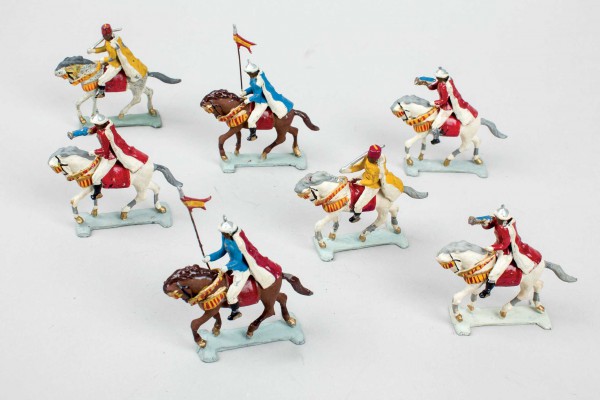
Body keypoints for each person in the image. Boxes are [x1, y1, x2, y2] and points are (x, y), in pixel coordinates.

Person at [202, 216, 281, 320]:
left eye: (224, 232)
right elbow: (222, 251)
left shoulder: (239, 243)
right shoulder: (225, 237)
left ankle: (235, 312)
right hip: (231, 266)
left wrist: (227, 266)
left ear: (230, 233)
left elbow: (238, 260)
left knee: (231, 295)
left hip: (241, 269)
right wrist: (210, 257)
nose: (222, 234)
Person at [68, 113, 148, 200]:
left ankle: (97, 193)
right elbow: (90, 131)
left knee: (95, 178)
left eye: (96, 124)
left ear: (100, 124)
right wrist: (75, 133)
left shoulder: (104, 133)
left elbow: (105, 151)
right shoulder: (106, 125)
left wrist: (93, 152)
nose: (95, 125)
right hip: (108, 152)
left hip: (110, 157)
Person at [470, 205, 542, 298]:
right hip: (497, 246)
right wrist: (484, 223)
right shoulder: (498, 221)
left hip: (505, 253)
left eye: (497, 218)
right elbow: (489, 226)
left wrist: (493, 248)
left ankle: (487, 291)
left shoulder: (506, 229)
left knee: (493, 274)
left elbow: (505, 244)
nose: (496, 219)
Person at [340, 145, 404, 223]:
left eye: (373, 159)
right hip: (364, 176)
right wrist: (348, 170)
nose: (370, 159)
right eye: (370, 157)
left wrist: (361, 182)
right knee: (350, 180)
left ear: (377, 158)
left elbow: (372, 181)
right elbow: (360, 166)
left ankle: (356, 216)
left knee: (358, 206)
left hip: (372, 186)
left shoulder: (378, 168)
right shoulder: (367, 157)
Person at [416, 67, 478, 144]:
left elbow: (444, 100)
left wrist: (434, 102)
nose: (436, 78)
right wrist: (426, 84)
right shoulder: (441, 82)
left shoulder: (444, 85)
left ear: (442, 77)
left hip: (446, 107)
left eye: (438, 77)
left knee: (435, 125)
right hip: (441, 104)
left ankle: (436, 138)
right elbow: (433, 87)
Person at [87, 23, 148, 98]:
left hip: (115, 65)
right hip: (110, 62)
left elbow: (112, 58)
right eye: (104, 35)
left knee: (101, 80)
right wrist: (93, 50)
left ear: (110, 34)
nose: (104, 37)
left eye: (106, 35)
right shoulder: (107, 41)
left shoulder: (114, 44)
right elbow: (104, 48)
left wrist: (104, 59)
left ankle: (101, 93)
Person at [240, 60, 293, 141]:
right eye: (248, 73)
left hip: (261, 102)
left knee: (251, 121)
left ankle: (253, 135)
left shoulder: (259, 81)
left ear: (254, 72)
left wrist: (249, 99)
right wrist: (245, 92)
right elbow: (253, 88)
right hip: (256, 100)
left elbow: (258, 95)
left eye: (249, 73)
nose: (248, 74)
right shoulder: (253, 78)